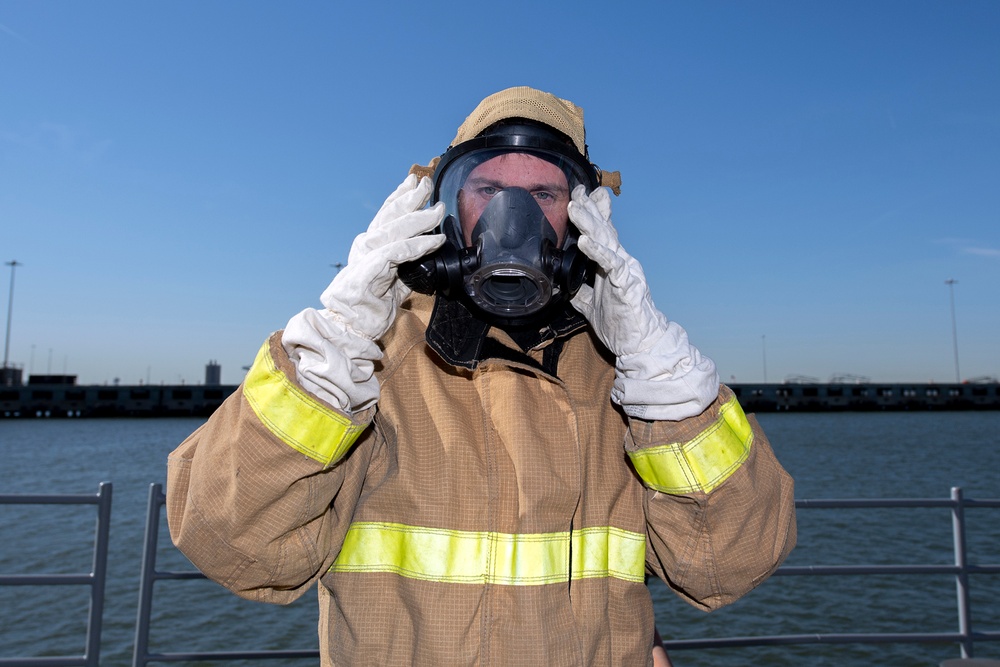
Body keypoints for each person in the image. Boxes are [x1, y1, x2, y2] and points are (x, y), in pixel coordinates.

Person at [167, 86, 796, 666]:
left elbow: (729, 566)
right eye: (489, 190)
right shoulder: (372, 363)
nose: (512, 215)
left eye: (544, 195)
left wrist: (663, 375)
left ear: (582, 219)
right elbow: (232, 544)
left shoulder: (630, 380)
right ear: (448, 209)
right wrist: (336, 343)